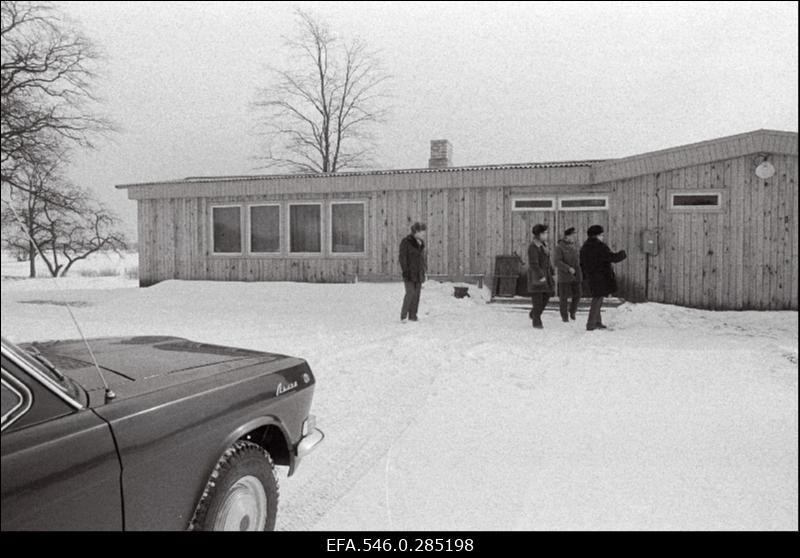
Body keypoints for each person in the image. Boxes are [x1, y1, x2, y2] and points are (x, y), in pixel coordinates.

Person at [579, 225, 627, 331]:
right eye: (601, 235)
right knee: (597, 300)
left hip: (591, 276)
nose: (602, 237)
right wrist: (622, 254)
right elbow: (611, 257)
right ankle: (591, 323)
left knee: (598, 298)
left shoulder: (585, 247)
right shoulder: (600, 246)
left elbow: (581, 263)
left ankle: (597, 321)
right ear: (596, 235)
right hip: (600, 277)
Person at [527, 224, 555, 329]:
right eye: (544, 233)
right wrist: (540, 275)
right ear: (539, 235)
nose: (546, 235)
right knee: (537, 299)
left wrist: (552, 272)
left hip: (546, 275)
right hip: (537, 276)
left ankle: (534, 313)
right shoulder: (533, 247)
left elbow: (547, 261)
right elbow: (534, 263)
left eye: (546, 233)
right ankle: (536, 321)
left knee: (547, 295)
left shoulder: (544, 245)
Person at [551, 227, 582, 322]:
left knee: (578, 294)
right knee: (563, 297)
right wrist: (568, 268)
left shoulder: (574, 247)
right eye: (572, 235)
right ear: (567, 237)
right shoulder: (559, 247)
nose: (574, 237)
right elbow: (556, 262)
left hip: (575, 275)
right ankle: (564, 316)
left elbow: (577, 261)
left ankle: (572, 311)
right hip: (564, 276)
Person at [399, 222, 427, 322]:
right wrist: (405, 270)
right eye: (422, 232)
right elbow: (402, 258)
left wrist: (424, 270)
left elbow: (422, 259)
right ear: (416, 232)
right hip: (409, 273)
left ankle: (413, 315)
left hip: (419, 273)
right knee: (410, 293)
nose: (424, 234)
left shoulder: (421, 244)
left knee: (417, 294)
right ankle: (404, 316)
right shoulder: (406, 242)